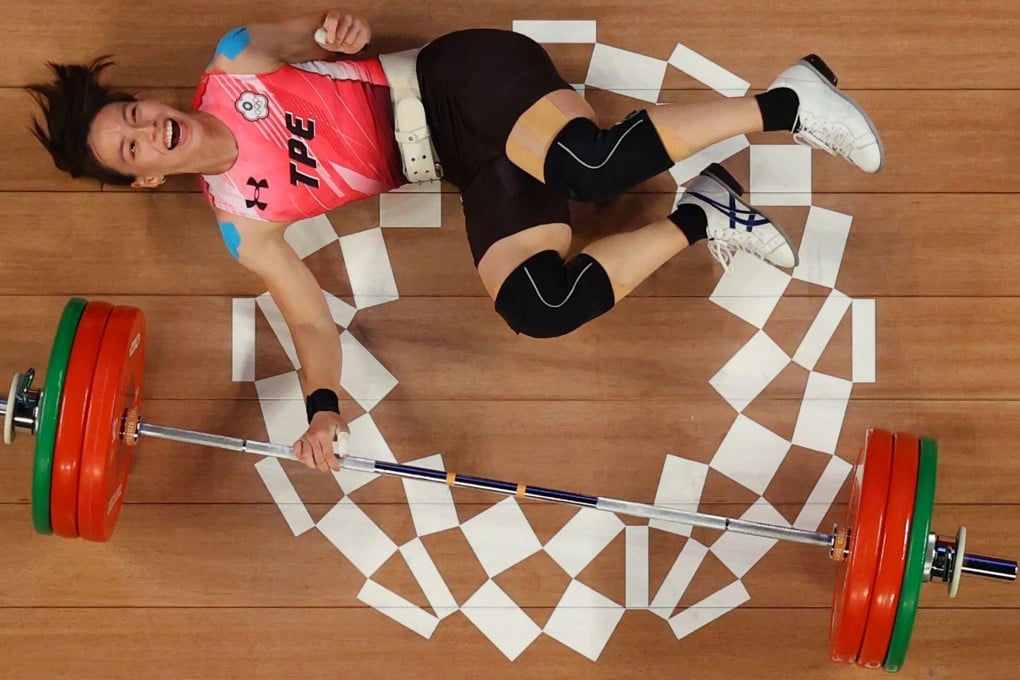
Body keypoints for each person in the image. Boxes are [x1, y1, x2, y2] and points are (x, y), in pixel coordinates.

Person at [27, 8, 884, 473]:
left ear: (150, 100)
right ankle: (707, 211)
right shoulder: (241, 226)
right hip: (467, 164)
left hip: (461, 80)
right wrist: (323, 411)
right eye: (129, 147)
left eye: (135, 115)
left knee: (587, 170)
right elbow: (315, 326)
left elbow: (317, 28)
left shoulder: (235, 63)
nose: (149, 131)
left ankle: (787, 103)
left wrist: (341, 34)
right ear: (141, 177)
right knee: (539, 305)